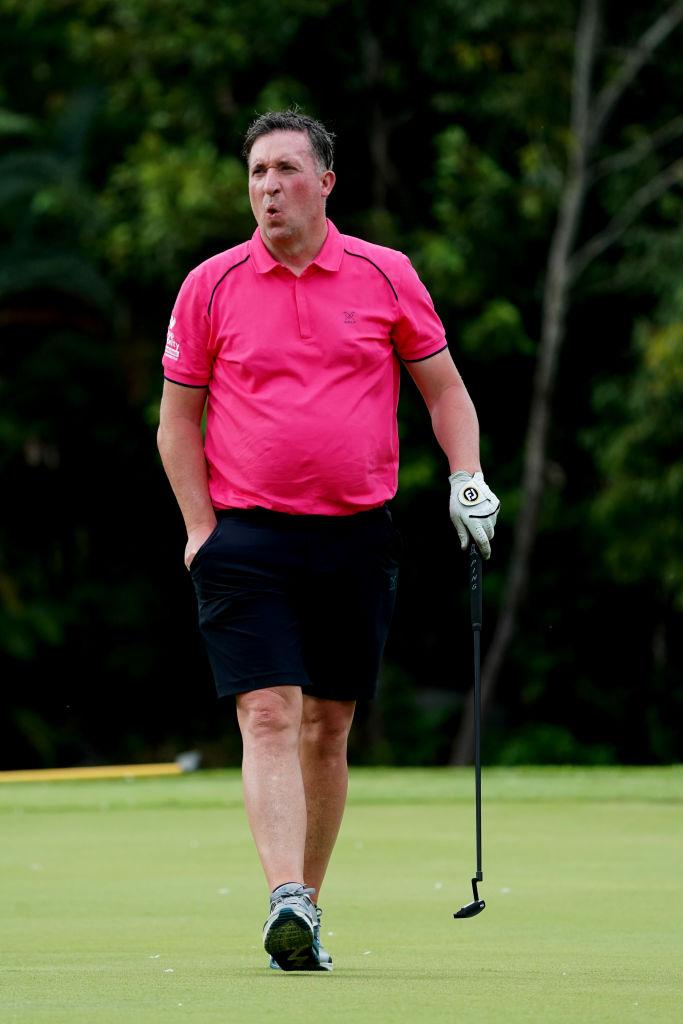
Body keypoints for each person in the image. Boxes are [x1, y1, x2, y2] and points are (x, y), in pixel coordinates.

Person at [157, 110, 499, 972]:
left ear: (324, 182)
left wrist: (466, 476)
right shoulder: (210, 284)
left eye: (284, 170)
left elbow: (444, 390)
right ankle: (286, 898)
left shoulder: (385, 274)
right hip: (245, 535)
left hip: (354, 535)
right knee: (269, 711)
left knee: (329, 724)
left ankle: (305, 906)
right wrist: (200, 530)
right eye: (256, 172)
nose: (268, 188)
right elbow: (177, 421)